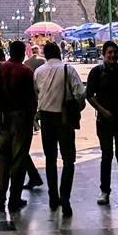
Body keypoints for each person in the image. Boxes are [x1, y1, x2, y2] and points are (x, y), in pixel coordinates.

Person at [34, 41, 85, 217]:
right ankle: (65, 198)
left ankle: (52, 196)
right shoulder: (68, 69)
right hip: (64, 119)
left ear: (45, 54)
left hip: (46, 119)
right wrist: (75, 109)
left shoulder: (38, 72)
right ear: (59, 52)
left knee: (50, 159)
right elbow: (80, 93)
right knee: (69, 159)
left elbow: (35, 96)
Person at [86, 41, 118, 208]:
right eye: (109, 53)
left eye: (115, 52)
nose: (112, 55)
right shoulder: (96, 72)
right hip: (104, 121)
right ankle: (105, 190)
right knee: (106, 156)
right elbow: (89, 95)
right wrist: (102, 110)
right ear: (104, 54)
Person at [0, 40, 37, 212]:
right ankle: (14, 198)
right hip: (20, 119)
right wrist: (32, 118)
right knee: (18, 159)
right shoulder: (26, 71)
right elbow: (31, 99)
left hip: (1, 119)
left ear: (9, 52)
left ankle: (1, 196)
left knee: (2, 158)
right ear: (23, 53)